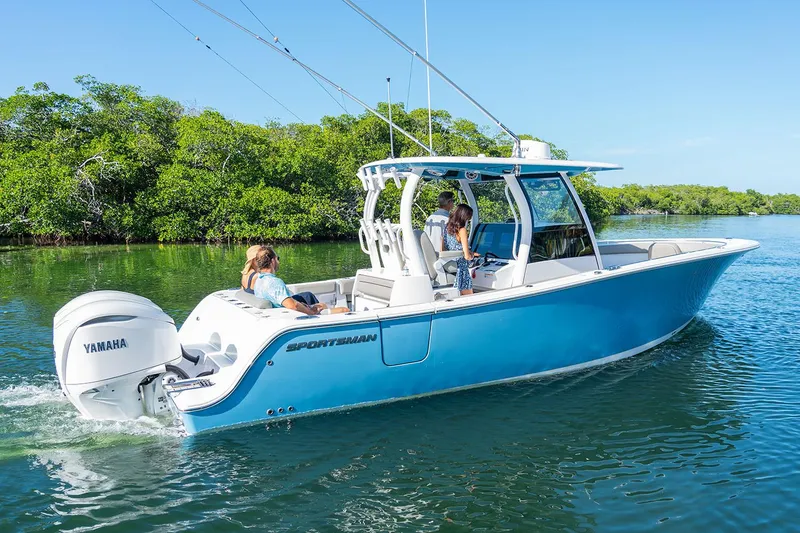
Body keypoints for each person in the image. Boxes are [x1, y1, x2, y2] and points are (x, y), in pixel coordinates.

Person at [253, 246, 349, 315]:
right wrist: (311, 312)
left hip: (280, 313)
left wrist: (303, 305)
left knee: (322, 304)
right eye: (277, 258)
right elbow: (293, 306)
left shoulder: (259, 280)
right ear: (272, 261)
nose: (278, 262)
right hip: (291, 316)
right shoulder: (274, 282)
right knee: (345, 310)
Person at [443, 204, 479, 296]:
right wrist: (472, 256)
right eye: (468, 218)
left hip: (450, 263)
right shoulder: (462, 230)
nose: (468, 221)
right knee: (469, 298)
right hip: (461, 268)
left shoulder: (446, 228)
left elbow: (442, 249)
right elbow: (467, 256)